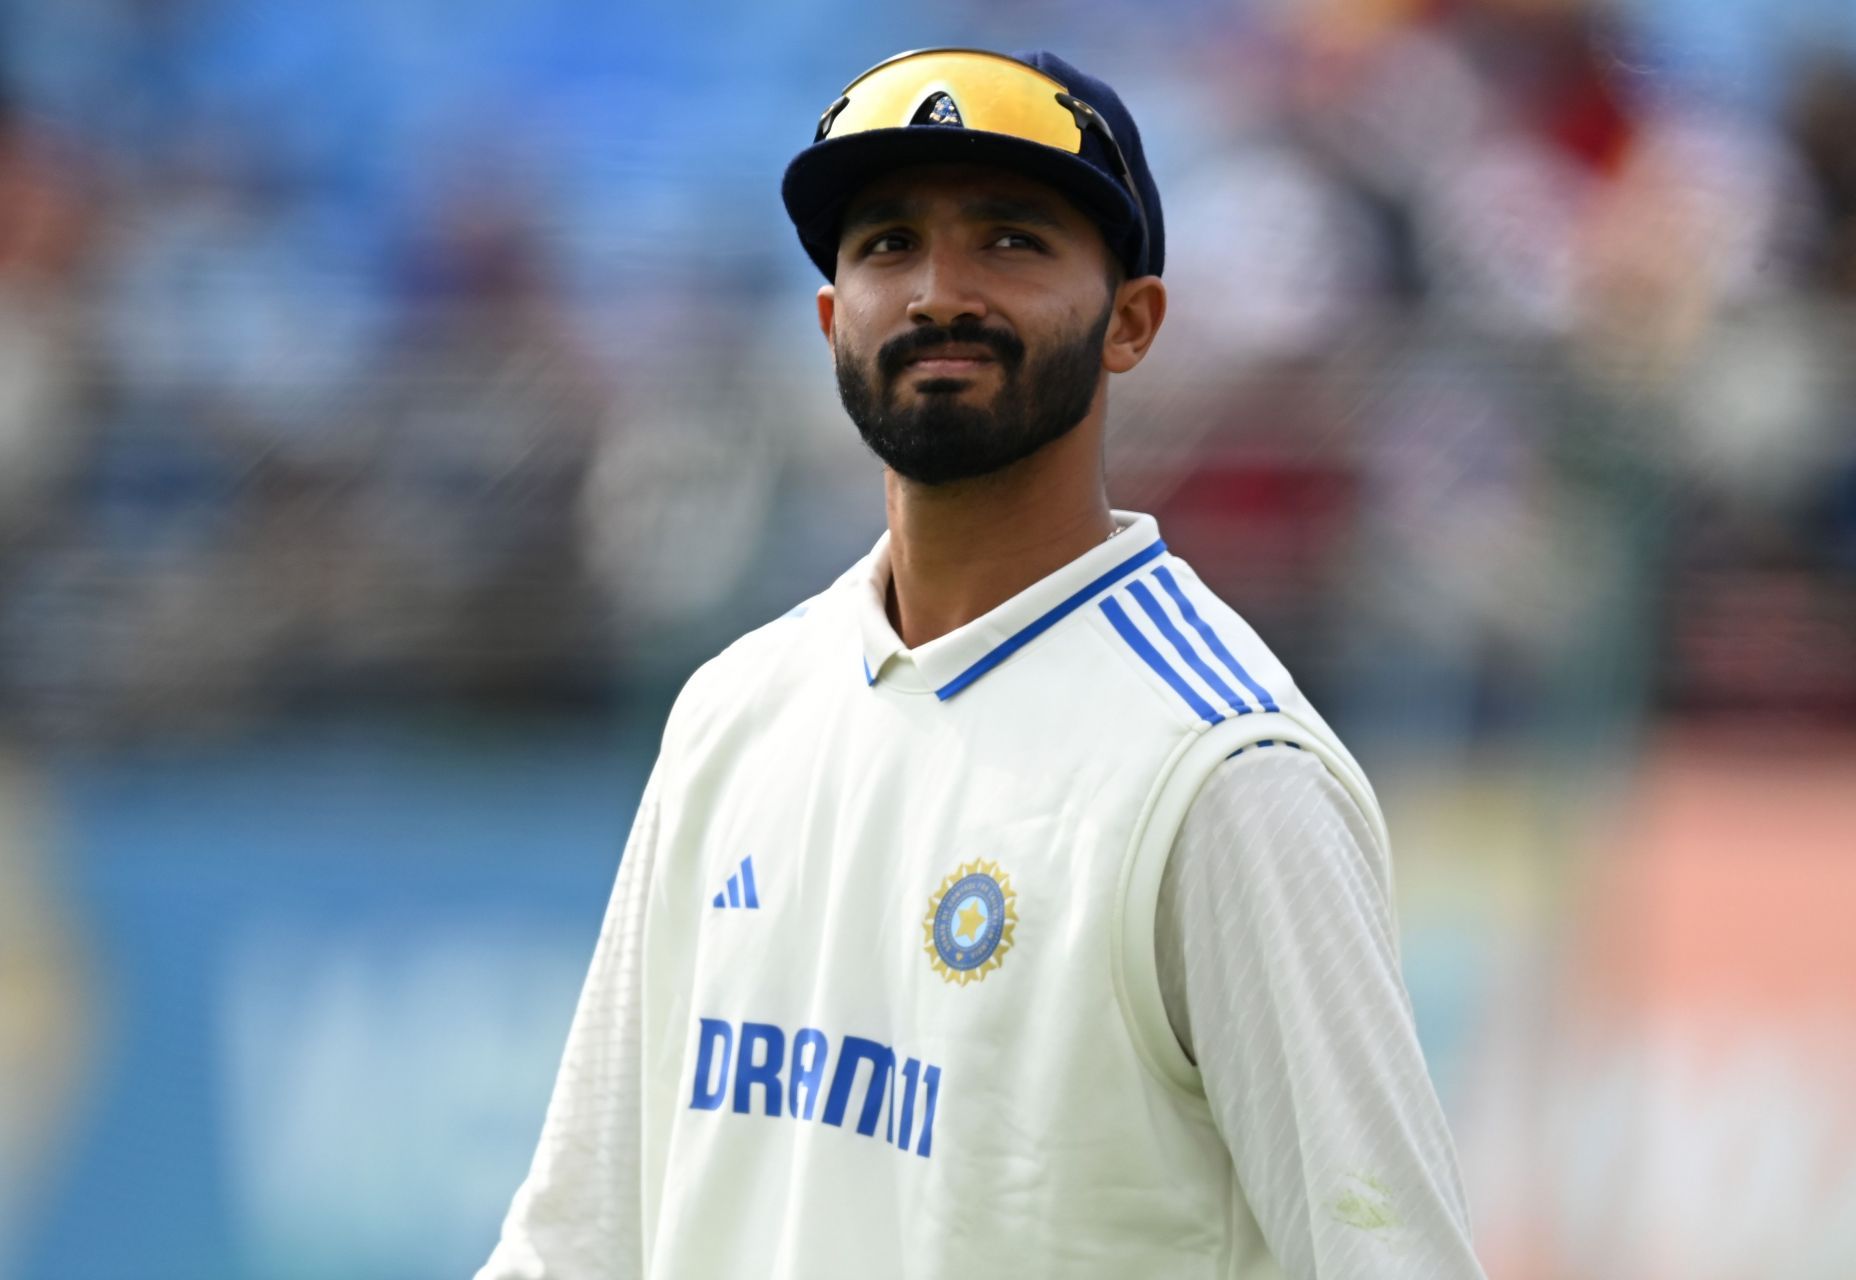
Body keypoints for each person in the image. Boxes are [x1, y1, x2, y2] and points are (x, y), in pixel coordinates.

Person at [478, 47, 1485, 1279]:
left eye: (1012, 240)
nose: (937, 291)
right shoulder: (734, 711)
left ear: (1132, 321)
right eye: (887, 243)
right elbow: (579, 1238)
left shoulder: (1225, 771)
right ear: (828, 316)